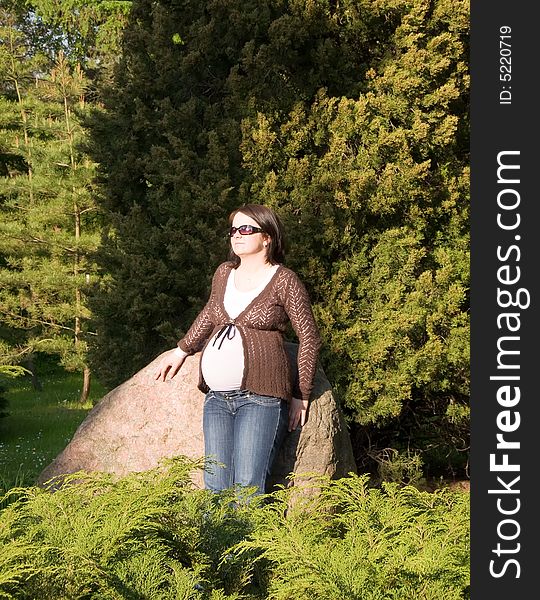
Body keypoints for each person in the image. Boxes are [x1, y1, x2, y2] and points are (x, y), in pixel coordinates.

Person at [154, 204, 321, 495]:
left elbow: (308, 336)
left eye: (246, 229)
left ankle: (248, 542)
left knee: (246, 489)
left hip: (261, 399)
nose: (237, 235)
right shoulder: (224, 273)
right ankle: (214, 542)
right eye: (233, 230)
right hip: (217, 399)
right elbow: (210, 312)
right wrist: (182, 350)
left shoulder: (284, 280)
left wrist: (301, 394)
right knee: (215, 488)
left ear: (267, 236)